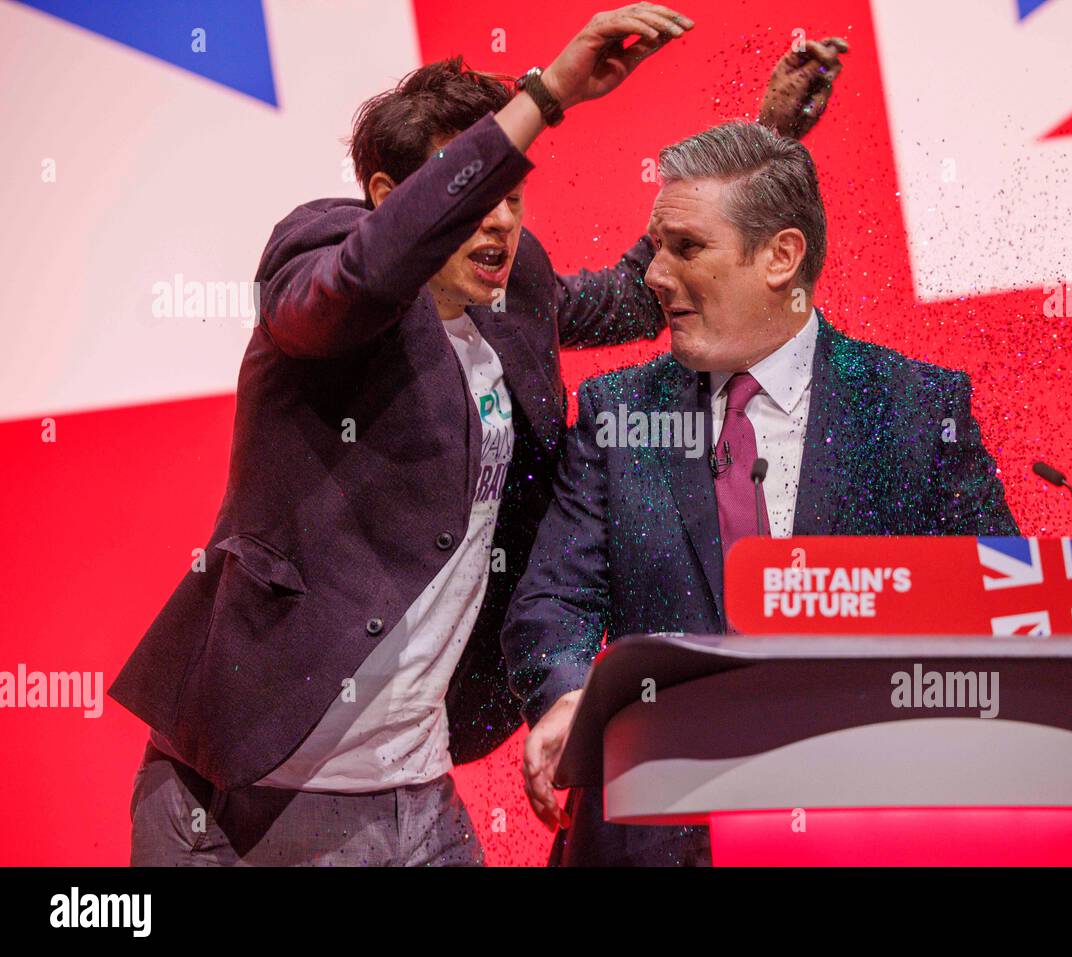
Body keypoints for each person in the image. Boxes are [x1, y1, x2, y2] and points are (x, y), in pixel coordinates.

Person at [109, 5, 847, 865]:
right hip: (253, 801)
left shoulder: (512, 293)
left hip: (418, 796)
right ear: (390, 199)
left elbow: (631, 294)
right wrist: (550, 91)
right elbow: (369, 268)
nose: (499, 219)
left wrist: (762, 141)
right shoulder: (318, 269)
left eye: (514, 195)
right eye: (472, 190)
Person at [501, 120, 1020, 866]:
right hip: (652, 836)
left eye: (686, 247)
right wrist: (565, 697)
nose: (651, 274)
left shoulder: (915, 408)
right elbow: (555, 602)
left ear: (781, 257)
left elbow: (1000, 604)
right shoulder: (620, 414)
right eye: (656, 248)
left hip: (860, 837)